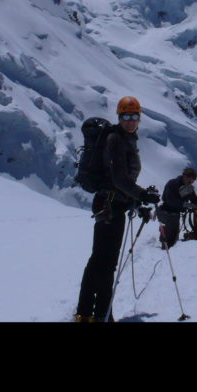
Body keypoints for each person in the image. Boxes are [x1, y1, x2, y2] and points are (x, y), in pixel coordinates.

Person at [75, 96, 160, 322]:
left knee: (99, 260)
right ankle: (102, 315)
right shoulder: (116, 140)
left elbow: (119, 181)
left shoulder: (125, 139)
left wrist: (135, 202)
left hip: (112, 203)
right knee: (106, 263)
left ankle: (85, 312)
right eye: (126, 116)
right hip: (109, 207)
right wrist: (142, 195)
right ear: (119, 117)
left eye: (134, 116)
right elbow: (119, 179)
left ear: (139, 118)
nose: (130, 120)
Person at [158, 167, 197, 249]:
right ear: (185, 177)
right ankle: (165, 249)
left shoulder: (188, 187)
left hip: (175, 214)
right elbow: (170, 200)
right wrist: (187, 205)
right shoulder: (172, 184)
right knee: (170, 237)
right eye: (189, 181)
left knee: (173, 236)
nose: (190, 183)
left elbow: (194, 198)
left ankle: (167, 249)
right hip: (167, 212)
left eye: (192, 182)